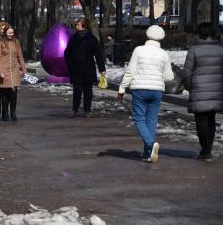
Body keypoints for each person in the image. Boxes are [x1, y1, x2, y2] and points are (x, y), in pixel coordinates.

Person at [118, 25, 174, 163]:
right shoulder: (164, 54)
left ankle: (150, 143)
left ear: (147, 35)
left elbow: (130, 71)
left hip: (140, 89)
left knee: (139, 119)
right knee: (151, 120)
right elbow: (169, 77)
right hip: (157, 91)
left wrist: (121, 89)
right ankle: (147, 153)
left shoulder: (138, 50)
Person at [182, 22, 223, 161]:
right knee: (211, 120)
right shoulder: (220, 49)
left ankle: (205, 150)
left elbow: (187, 72)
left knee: (201, 121)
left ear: (199, 33)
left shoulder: (194, 50)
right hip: (217, 89)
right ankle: (208, 149)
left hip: (199, 88)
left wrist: (189, 86)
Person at [64, 18, 106, 118]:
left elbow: (98, 54)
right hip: (76, 69)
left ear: (84, 26)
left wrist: (102, 69)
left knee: (88, 90)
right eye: (76, 25)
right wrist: (70, 64)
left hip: (88, 68)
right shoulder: (73, 38)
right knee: (77, 90)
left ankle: (87, 110)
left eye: (78, 25)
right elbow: (67, 52)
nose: (76, 26)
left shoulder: (92, 38)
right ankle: (75, 108)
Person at [0, 23, 27, 121]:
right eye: (9, 33)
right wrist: (0, 71)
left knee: (13, 93)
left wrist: (24, 69)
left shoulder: (16, 42)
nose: (11, 34)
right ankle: (5, 113)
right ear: (5, 33)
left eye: (12, 33)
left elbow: (20, 57)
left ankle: (13, 112)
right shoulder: (0, 43)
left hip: (14, 71)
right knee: (5, 93)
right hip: (4, 71)